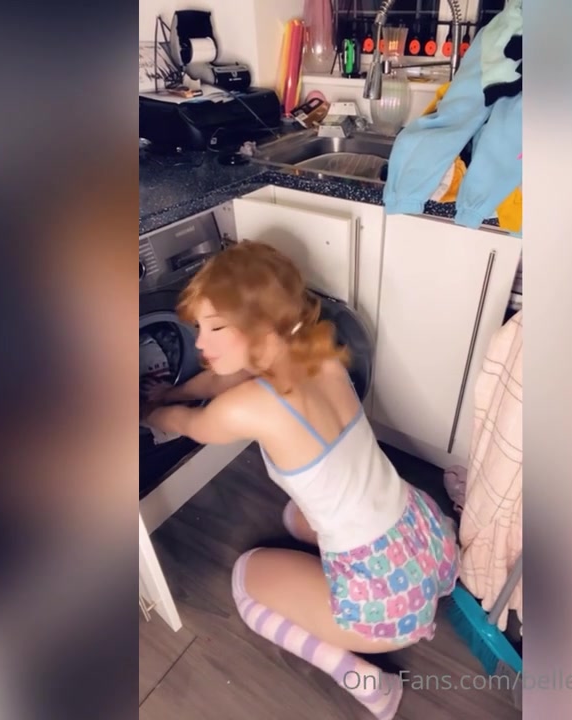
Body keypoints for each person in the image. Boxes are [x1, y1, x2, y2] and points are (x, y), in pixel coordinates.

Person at [142, 241, 459, 719]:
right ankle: (419, 589)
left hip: (384, 603)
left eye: (216, 327)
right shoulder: (317, 348)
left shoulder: (249, 406)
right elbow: (222, 380)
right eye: (198, 328)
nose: (201, 343)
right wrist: (172, 391)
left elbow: (189, 423)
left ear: (260, 325)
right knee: (296, 516)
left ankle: (368, 683)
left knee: (247, 580)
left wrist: (148, 410)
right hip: (424, 534)